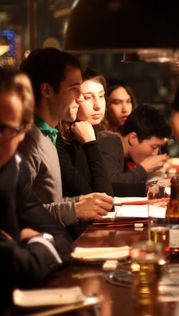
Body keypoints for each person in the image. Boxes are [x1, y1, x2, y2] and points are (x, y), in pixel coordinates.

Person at [18, 48, 113, 232]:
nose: (80, 98)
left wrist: (78, 202)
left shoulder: (48, 135)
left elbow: (47, 203)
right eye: (74, 89)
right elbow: (15, 213)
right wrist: (74, 208)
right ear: (47, 90)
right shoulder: (27, 140)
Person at [0, 68, 72, 311]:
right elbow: (18, 268)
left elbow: (63, 239)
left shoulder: (12, 170)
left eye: (3, 129)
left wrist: (28, 246)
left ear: (23, 132)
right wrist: (37, 243)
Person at [56, 68, 113, 197]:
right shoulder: (60, 141)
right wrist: (90, 144)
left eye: (101, 96)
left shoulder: (99, 132)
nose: (98, 105)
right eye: (87, 97)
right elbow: (103, 200)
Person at [97, 104, 170, 196]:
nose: (154, 154)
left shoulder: (120, 148)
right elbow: (110, 186)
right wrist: (143, 168)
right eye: (154, 147)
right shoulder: (109, 142)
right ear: (133, 138)